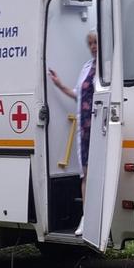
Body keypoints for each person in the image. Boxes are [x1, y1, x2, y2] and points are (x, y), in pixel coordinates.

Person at [47, 30, 97, 236]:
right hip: (85, 129)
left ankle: (98, 220)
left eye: (96, 43)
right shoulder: (86, 67)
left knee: (99, 174)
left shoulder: (110, 67)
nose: (94, 46)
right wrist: (60, 85)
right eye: (91, 43)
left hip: (100, 128)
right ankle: (86, 218)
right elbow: (78, 94)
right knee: (85, 174)